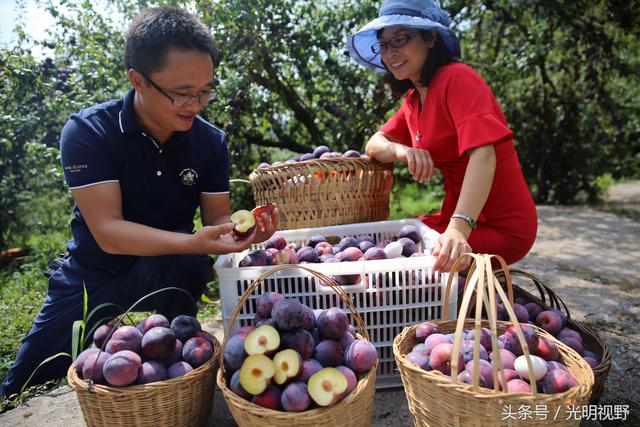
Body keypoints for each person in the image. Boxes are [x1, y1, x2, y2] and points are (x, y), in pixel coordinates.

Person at [1, 6, 277, 398]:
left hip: (169, 268)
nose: (195, 106)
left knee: (182, 281)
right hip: (93, 273)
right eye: (182, 94)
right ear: (138, 80)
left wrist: (243, 234)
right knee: (24, 381)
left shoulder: (209, 142)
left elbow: (217, 219)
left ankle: (170, 369)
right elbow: (109, 232)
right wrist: (194, 241)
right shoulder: (89, 132)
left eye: (205, 91)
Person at [346, 0, 537, 272]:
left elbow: (484, 154)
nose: (390, 53)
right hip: (457, 219)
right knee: (389, 241)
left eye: (399, 39)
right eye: (384, 44)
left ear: (431, 38)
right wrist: (403, 151)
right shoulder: (414, 99)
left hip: (500, 225)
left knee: (404, 260)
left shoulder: (457, 79)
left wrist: (458, 229)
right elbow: (375, 144)